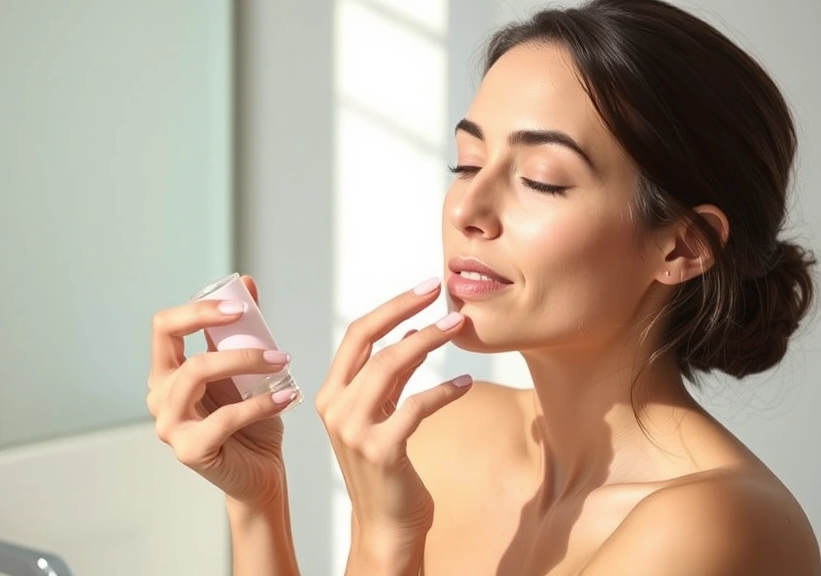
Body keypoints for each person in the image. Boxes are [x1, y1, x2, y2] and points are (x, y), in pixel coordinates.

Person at [146, 0, 821, 573]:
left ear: (681, 247)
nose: (468, 210)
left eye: (541, 179)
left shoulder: (714, 525)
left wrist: (388, 546)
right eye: (467, 163)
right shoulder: (451, 438)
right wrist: (257, 497)